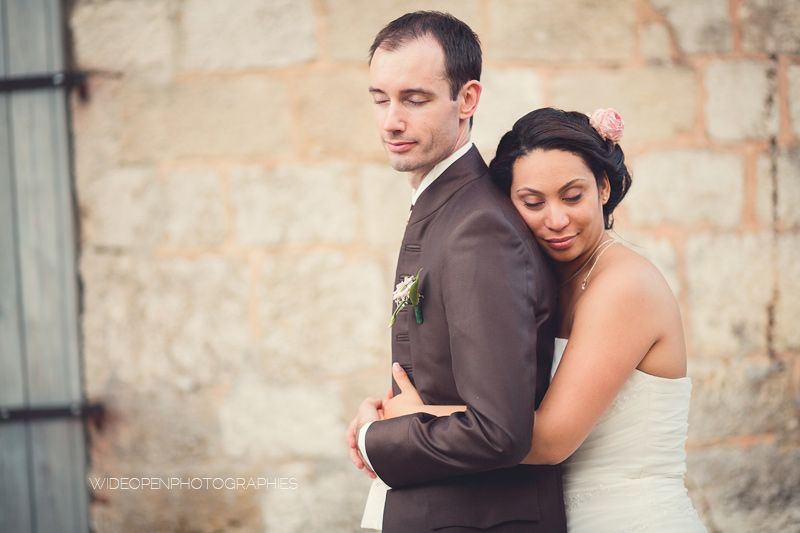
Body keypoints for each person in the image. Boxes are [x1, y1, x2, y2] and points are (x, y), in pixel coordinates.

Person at [383, 107, 708, 532]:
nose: (556, 220)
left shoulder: (626, 286)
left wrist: (419, 418)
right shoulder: (540, 277)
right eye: (532, 202)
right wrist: (389, 408)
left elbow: (552, 439)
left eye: (572, 196)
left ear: (603, 187)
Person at [344, 11, 567, 533]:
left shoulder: (478, 228)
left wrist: (376, 439)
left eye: (414, 99)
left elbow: (498, 431)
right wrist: (389, 409)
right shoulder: (448, 207)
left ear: (466, 100)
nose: (391, 120)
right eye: (380, 98)